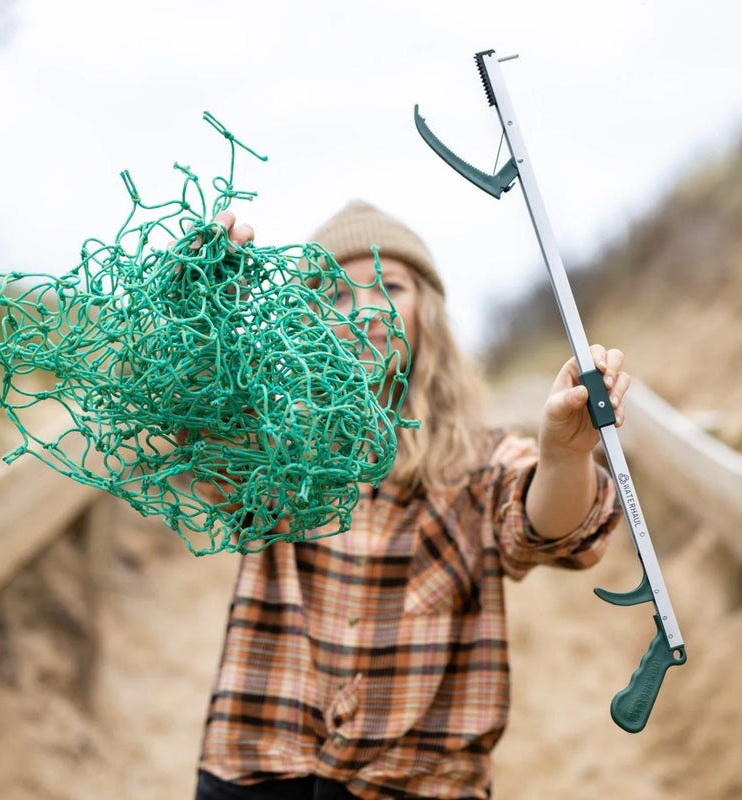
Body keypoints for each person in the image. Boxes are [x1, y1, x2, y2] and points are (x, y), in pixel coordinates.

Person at [194, 201, 626, 800]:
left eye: (388, 286)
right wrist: (198, 305)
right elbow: (196, 437)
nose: (365, 309)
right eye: (337, 292)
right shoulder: (271, 439)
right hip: (259, 764)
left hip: (418, 782)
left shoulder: (479, 456)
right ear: (303, 318)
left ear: (428, 311)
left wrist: (564, 457)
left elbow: (551, 527)